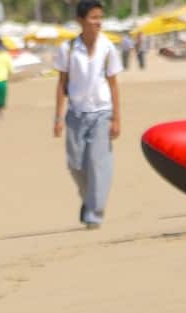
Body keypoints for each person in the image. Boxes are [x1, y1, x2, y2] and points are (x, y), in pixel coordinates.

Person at [54, 0, 123, 230]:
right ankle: (89, 199)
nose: (98, 22)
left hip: (102, 112)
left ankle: (95, 213)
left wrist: (116, 118)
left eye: (99, 17)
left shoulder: (108, 48)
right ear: (81, 21)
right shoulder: (68, 49)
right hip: (75, 113)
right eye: (93, 18)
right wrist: (58, 117)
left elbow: (113, 84)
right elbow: (61, 83)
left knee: (98, 162)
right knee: (75, 164)